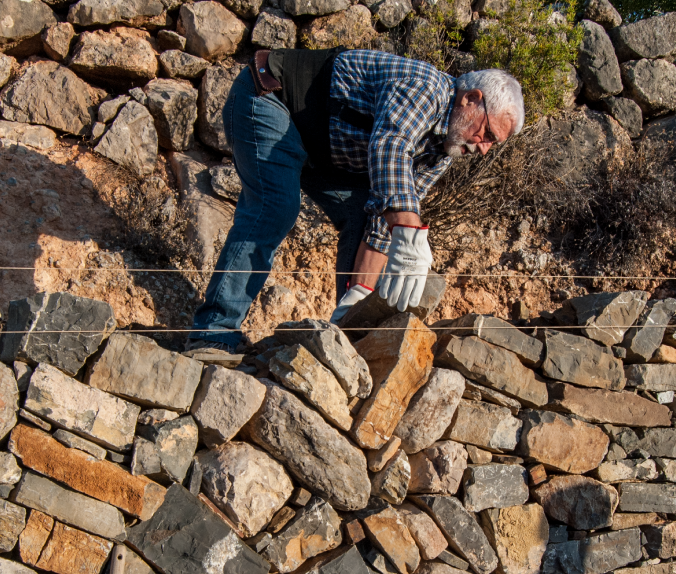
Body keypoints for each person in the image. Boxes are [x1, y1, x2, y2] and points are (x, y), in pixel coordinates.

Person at [184, 47, 525, 353]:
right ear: (471, 99)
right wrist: (409, 232)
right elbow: (390, 147)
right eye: (488, 134)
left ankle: (343, 340)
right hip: (269, 99)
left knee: (366, 213)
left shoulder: (444, 150)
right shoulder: (427, 88)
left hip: (318, 148)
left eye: (493, 144)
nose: (483, 149)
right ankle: (213, 333)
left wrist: (360, 293)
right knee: (275, 206)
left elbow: (383, 215)